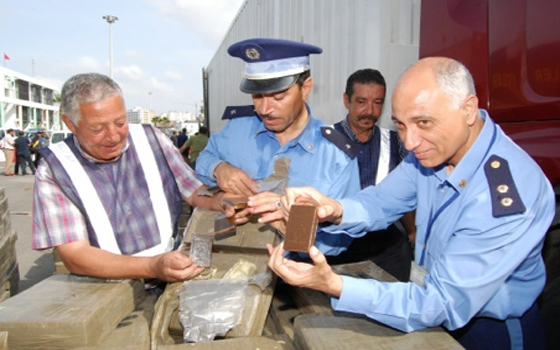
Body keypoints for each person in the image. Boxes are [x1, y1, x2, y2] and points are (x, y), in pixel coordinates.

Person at [267, 57, 555, 349]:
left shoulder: (503, 195)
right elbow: (381, 201)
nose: (410, 142)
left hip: (490, 333)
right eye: (401, 125)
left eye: (424, 122)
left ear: (468, 109)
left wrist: (335, 285)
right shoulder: (433, 154)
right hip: (432, 313)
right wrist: (334, 209)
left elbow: (440, 301)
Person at [32, 73, 224, 283]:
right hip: (104, 287)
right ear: (70, 123)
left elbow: (193, 191)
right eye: (97, 128)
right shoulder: (56, 169)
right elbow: (76, 255)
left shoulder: (151, 139)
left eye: (120, 122)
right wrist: (152, 266)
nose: (113, 136)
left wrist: (222, 202)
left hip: (170, 269)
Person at [195, 38, 361, 257]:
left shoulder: (337, 156)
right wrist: (219, 168)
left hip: (292, 276)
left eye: (278, 96)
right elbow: (203, 159)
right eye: (257, 96)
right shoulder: (237, 129)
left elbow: (339, 243)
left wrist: (293, 223)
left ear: (306, 88)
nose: (264, 109)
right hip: (230, 259)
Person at [328, 68, 414, 281]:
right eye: (361, 102)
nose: (369, 111)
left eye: (377, 103)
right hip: (336, 240)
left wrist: (413, 232)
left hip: (383, 242)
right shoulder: (324, 140)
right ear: (346, 101)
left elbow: (405, 194)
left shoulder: (397, 143)